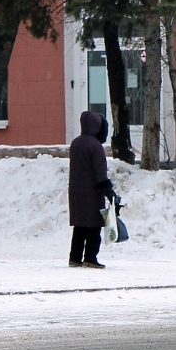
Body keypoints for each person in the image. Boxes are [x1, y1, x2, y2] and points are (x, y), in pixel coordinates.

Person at [68, 110, 114, 269]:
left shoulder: (76, 143)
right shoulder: (95, 146)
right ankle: (90, 258)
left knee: (80, 226)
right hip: (92, 194)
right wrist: (109, 193)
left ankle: (74, 258)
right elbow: (100, 174)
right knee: (94, 226)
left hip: (76, 193)